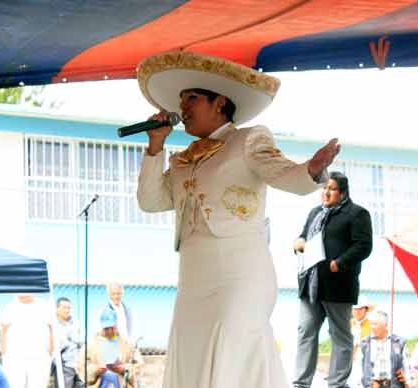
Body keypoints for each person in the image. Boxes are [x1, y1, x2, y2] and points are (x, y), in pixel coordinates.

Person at [136, 50, 340, 388]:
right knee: (195, 357)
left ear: (220, 103)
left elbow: (284, 174)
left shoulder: (248, 140)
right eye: (181, 100)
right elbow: (150, 200)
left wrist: (312, 169)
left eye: (193, 98)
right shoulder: (182, 160)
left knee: (234, 350)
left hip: (240, 273)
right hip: (194, 276)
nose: (182, 107)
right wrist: (155, 148)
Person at [293, 171, 373, 388]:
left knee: (340, 336)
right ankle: (300, 384)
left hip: (338, 286)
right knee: (305, 333)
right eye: (324, 188)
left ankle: (336, 384)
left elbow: (363, 246)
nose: (326, 192)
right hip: (310, 284)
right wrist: (298, 242)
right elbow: (304, 235)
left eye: (331, 189)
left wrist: (339, 263)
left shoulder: (357, 214)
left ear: (343, 192)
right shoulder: (315, 213)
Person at [0, 294, 54, 388]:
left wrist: (51, 350)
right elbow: (3, 330)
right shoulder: (10, 306)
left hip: (40, 356)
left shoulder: (44, 305)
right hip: (14, 357)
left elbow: (52, 328)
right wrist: (4, 353)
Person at [79, 309, 143, 388]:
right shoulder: (91, 344)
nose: (110, 331)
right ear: (101, 326)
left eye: (112, 328)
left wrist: (124, 369)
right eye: (106, 328)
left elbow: (139, 365)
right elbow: (80, 366)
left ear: (116, 324)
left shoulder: (128, 344)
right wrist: (94, 371)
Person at [360, 311, 413, 388]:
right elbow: (358, 368)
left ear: (385, 325)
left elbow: (407, 365)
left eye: (375, 324)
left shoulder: (398, 342)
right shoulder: (364, 343)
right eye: (371, 324)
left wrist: (408, 383)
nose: (372, 327)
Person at [53, 297, 84, 388]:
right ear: (57, 308)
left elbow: (82, 340)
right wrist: (71, 339)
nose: (67, 310)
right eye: (64, 307)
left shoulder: (76, 322)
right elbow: (59, 344)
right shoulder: (53, 324)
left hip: (78, 365)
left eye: (69, 308)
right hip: (63, 366)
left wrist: (70, 338)